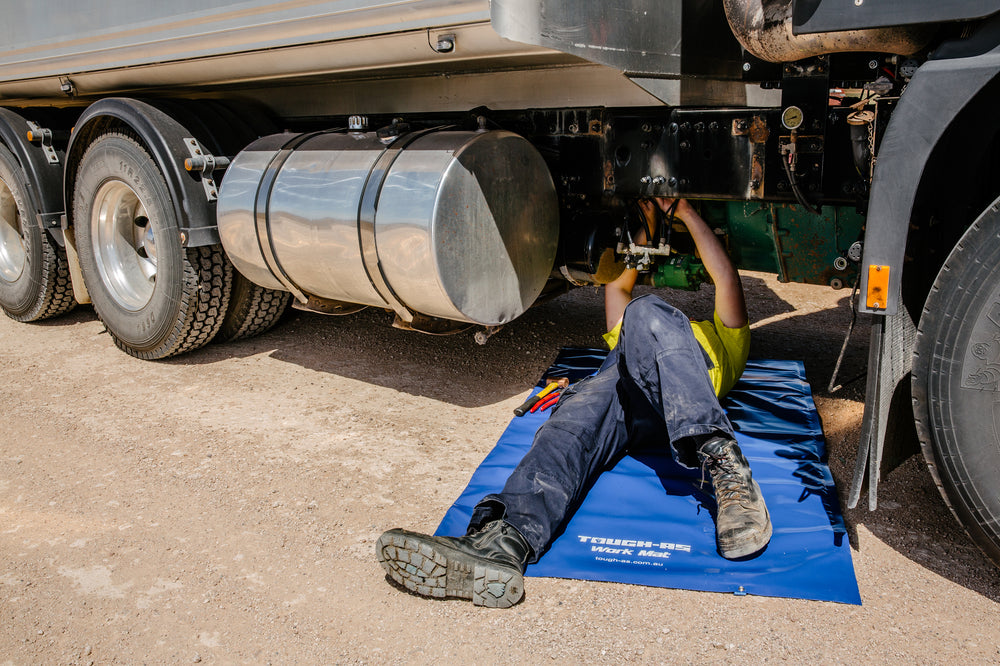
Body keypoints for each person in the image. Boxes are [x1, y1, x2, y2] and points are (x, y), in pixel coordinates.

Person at [376, 198, 771, 608]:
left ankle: (723, 459)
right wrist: (648, 224)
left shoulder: (724, 339)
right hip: (625, 400)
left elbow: (724, 276)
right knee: (572, 422)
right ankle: (504, 542)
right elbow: (618, 284)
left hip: (684, 414)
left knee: (648, 310)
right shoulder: (631, 334)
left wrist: (687, 214)